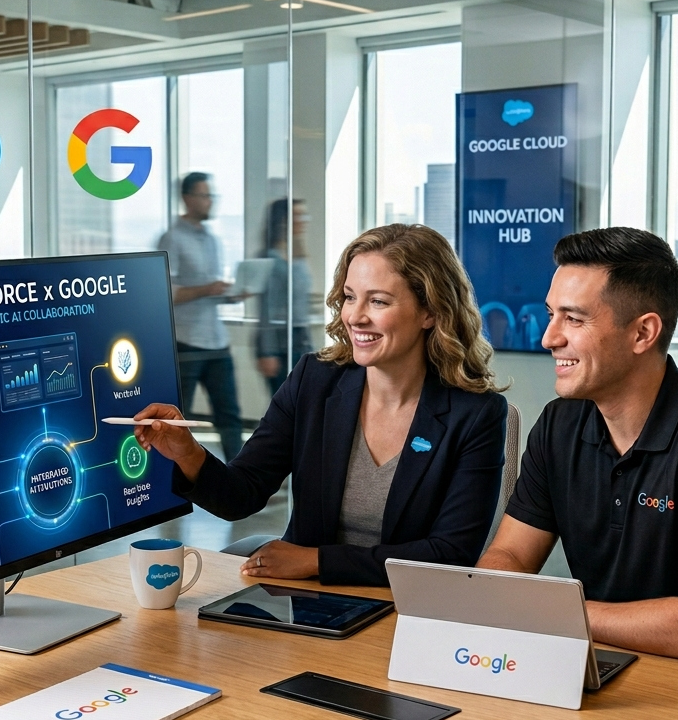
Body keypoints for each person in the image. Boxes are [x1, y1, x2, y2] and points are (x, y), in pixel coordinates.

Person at [478, 227, 678, 663]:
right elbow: (510, 552)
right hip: (605, 658)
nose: (549, 338)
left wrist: (553, 614)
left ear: (643, 333)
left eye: (574, 319)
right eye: (551, 314)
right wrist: (495, 595)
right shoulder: (558, 425)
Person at [135, 223, 508, 586]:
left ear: (430, 312)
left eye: (378, 301)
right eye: (350, 296)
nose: (355, 316)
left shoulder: (477, 414)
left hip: (408, 607)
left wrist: (315, 561)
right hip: (308, 601)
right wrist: (188, 453)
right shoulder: (313, 380)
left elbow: (450, 554)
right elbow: (240, 495)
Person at [157, 172, 244, 462]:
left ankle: (239, 476)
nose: (210, 201)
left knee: (229, 414)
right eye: (205, 195)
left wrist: (230, 294)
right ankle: (178, 476)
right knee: (178, 419)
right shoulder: (172, 239)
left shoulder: (213, 240)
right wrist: (207, 289)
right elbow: (164, 292)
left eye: (211, 196)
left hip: (216, 341)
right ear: (187, 198)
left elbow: (210, 290)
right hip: (187, 343)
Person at [255, 197, 313, 395]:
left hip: (301, 340)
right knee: (285, 404)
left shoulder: (298, 256)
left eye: (304, 215)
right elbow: (265, 308)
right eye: (298, 215)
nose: (303, 220)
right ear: (282, 221)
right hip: (278, 344)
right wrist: (267, 351)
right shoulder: (270, 259)